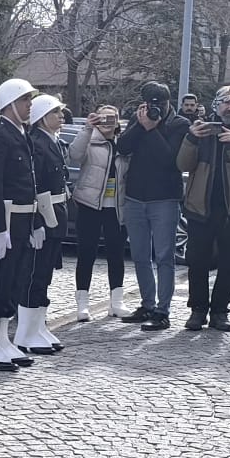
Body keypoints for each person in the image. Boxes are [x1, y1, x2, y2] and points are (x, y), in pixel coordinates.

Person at [175, 86, 230, 331]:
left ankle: (220, 311)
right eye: (225, 103)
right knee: (197, 262)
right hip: (200, 207)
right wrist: (191, 138)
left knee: (229, 264)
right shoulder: (201, 130)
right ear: (216, 105)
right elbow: (182, 163)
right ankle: (198, 310)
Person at [0, 78, 41, 367]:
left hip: (23, 218)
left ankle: (2, 341)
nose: (30, 105)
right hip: (8, 220)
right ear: (11, 103)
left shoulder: (20, 134)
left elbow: (30, 182)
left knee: (13, 283)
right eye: (25, 100)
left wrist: (36, 221)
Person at [115, 81, 189, 330]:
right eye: (151, 104)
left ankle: (162, 309)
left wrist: (153, 129)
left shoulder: (180, 124)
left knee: (165, 256)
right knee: (139, 255)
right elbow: (122, 147)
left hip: (165, 198)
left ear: (169, 103)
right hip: (136, 196)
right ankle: (147, 303)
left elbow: (171, 159)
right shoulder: (140, 120)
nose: (156, 108)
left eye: (161, 103)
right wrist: (141, 125)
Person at [18, 95, 71, 353]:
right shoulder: (38, 144)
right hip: (45, 212)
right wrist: (36, 220)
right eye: (55, 113)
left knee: (45, 274)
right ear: (41, 117)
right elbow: (35, 186)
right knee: (35, 274)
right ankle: (26, 332)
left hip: (57, 211)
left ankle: (38, 326)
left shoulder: (53, 142)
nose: (61, 117)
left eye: (61, 113)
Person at [67, 105, 126, 322]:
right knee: (86, 253)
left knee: (116, 253)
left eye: (112, 118)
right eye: (103, 117)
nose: (108, 122)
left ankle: (117, 302)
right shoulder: (90, 139)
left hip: (116, 205)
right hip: (90, 204)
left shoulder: (124, 144)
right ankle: (82, 303)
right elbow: (74, 155)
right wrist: (86, 129)